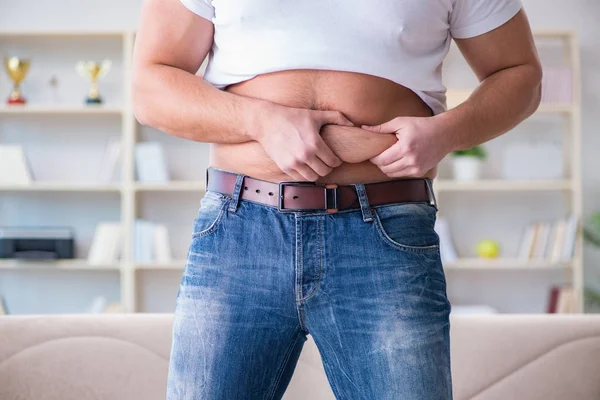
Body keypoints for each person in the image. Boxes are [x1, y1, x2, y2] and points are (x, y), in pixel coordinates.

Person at [132, 0, 541, 398]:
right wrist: (260, 121)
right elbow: (150, 87)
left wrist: (448, 132)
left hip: (386, 236)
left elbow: (520, 75)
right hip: (238, 233)